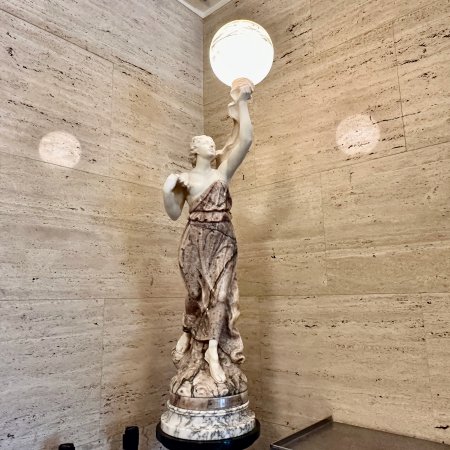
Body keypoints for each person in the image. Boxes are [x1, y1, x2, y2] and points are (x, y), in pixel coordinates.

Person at [162, 78, 254, 387]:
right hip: (195, 239)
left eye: (212, 142)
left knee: (221, 295)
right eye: (205, 142)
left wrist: (242, 102)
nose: (212, 144)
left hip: (223, 238)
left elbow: (245, 139)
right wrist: (167, 190)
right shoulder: (185, 179)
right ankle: (188, 331)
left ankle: (213, 350)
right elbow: (173, 213)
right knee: (194, 293)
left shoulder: (221, 173)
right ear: (194, 149)